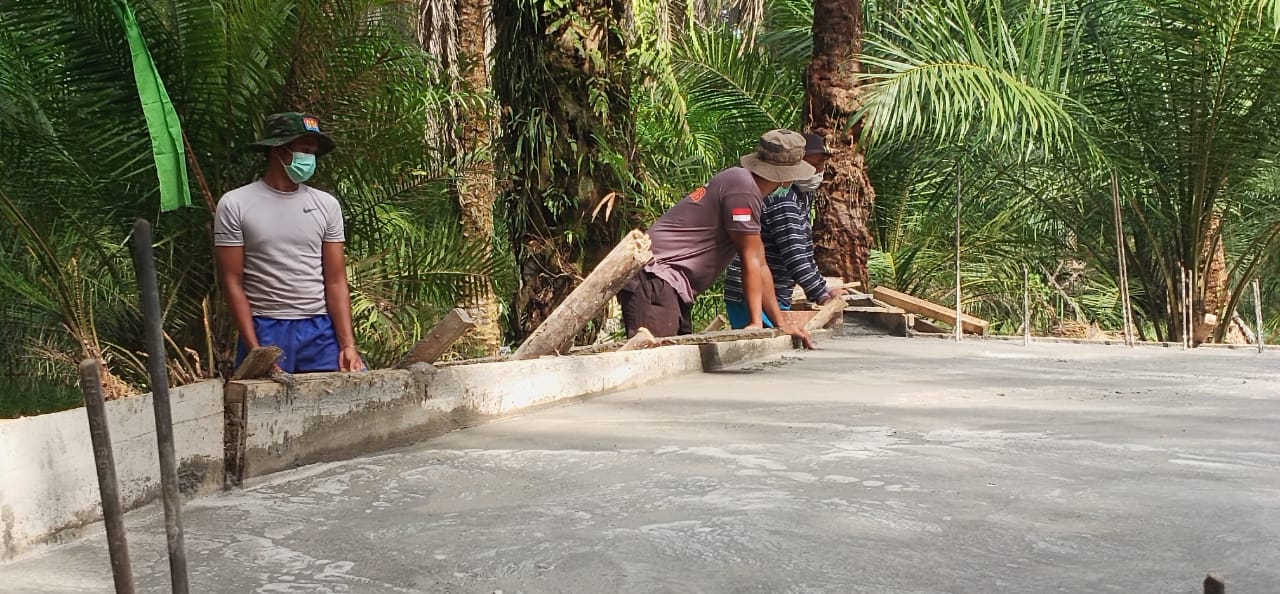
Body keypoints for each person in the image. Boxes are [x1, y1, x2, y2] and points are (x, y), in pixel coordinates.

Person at [620, 129, 815, 348]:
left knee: (674, 356)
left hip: (672, 284)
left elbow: (760, 263)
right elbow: (749, 258)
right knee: (653, 359)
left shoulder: (745, 187)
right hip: (657, 275)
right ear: (788, 177)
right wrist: (755, 323)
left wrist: (780, 323)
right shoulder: (743, 188)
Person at [214, 112, 365, 373]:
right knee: (264, 408)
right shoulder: (235, 204)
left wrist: (347, 345)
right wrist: (256, 351)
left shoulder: (326, 206)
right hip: (265, 327)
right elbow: (232, 282)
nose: (309, 158)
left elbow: (336, 280)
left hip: (318, 330)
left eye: (313, 152)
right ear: (278, 149)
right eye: (303, 149)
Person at [723, 133, 845, 329]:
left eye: (821, 164)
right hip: (753, 293)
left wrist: (823, 289)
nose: (818, 171)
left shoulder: (802, 196)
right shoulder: (783, 200)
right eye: (812, 165)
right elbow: (795, 256)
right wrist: (822, 296)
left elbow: (804, 252)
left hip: (771, 292)